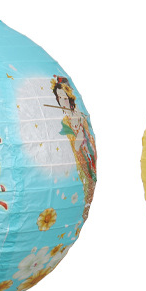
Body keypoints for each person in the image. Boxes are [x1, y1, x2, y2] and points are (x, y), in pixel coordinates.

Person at [51, 75, 96, 219]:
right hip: (80, 159)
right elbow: (75, 146)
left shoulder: (80, 116)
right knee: (85, 185)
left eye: (64, 98)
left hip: (89, 155)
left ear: (70, 98)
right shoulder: (66, 122)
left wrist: (82, 128)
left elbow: (90, 139)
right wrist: (79, 134)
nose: (62, 101)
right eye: (59, 98)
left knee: (91, 181)